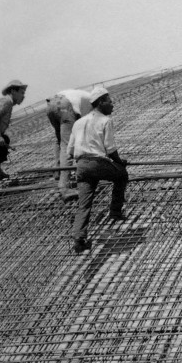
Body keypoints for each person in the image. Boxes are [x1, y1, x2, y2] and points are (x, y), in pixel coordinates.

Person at [68, 86, 129, 254]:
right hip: (97, 163)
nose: (112, 104)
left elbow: (70, 151)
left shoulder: (78, 123)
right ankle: (115, 212)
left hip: (81, 166)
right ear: (101, 102)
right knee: (122, 175)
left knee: (84, 204)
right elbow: (110, 149)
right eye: (109, 101)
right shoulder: (105, 120)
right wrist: (120, 162)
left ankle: (79, 238)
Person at [46, 88, 93, 200]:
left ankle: (58, 173)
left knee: (59, 140)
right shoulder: (94, 106)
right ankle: (64, 187)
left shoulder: (87, 97)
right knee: (67, 145)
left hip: (51, 104)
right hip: (65, 106)